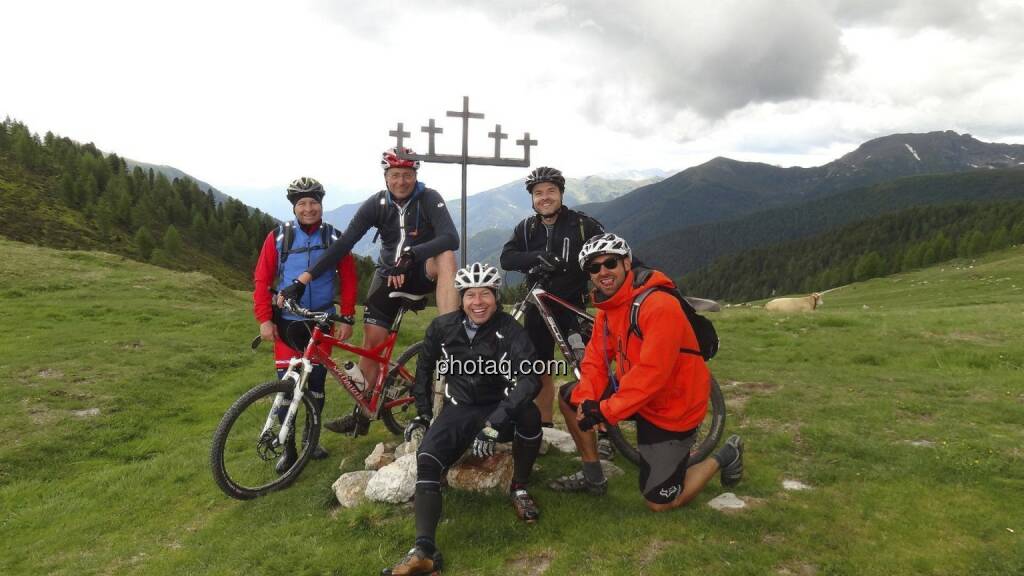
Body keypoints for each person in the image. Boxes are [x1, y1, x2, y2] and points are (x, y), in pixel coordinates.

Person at [552, 233, 744, 510]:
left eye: (610, 263)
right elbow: (595, 359)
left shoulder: (658, 305)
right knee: (570, 396)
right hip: (636, 392)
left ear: (627, 263)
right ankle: (594, 476)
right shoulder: (608, 307)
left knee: (660, 502)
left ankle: (725, 455)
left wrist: (605, 411)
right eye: (594, 268)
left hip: (673, 404)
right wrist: (588, 400)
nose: (603, 272)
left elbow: (654, 373)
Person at [279, 148, 459, 434]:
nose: (402, 181)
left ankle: (451, 332)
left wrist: (412, 255)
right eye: (396, 175)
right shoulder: (376, 204)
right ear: (386, 177)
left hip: (422, 271)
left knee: (447, 254)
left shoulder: (429, 198)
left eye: (408, 175)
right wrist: (302, 280)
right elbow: (343, 245)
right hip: (388, 277)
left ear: (416, 176)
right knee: (372, 349)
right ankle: (362, 415)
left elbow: (451, 236)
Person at [382, 263, 543, 576]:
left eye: (486, 294)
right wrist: (423, 414)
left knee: (530, 415)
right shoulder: (443, 327)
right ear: (461, 298)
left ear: (496, 298)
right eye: (470, 294)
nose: (478, 301)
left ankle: (519, 488)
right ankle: (424, 551)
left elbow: (530, 378)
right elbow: (424, 372)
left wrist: (495, 422)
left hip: (499, 407)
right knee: (427, 458)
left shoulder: (509, 329)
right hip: (461, 408)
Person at [252, 177, 358, 471]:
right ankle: (289, 449)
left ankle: (312, 441)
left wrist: (347, 315)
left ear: (321, 205)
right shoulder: (279, 237)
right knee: (287, 385)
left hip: (321, 321)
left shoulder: (334, 239)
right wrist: (264, 319)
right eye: (302, 204)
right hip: (288, 322)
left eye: (314, 203)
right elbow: (262, 280)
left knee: (317, 385)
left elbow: (348, 278)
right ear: (294, 207)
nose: (309, 209)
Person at [499, 167, 605, 435]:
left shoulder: (583, 225)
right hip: (538, 306)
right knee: (540, 367)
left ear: (561, 194)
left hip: (573, 307)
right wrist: (535, 257)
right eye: (538, 193)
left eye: (550, 191)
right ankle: (545, 425)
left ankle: (603, 430)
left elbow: (607, 255)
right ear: (532, 198)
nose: (544, 197)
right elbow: (507, 258)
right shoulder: (526, 228)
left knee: (589, 369)